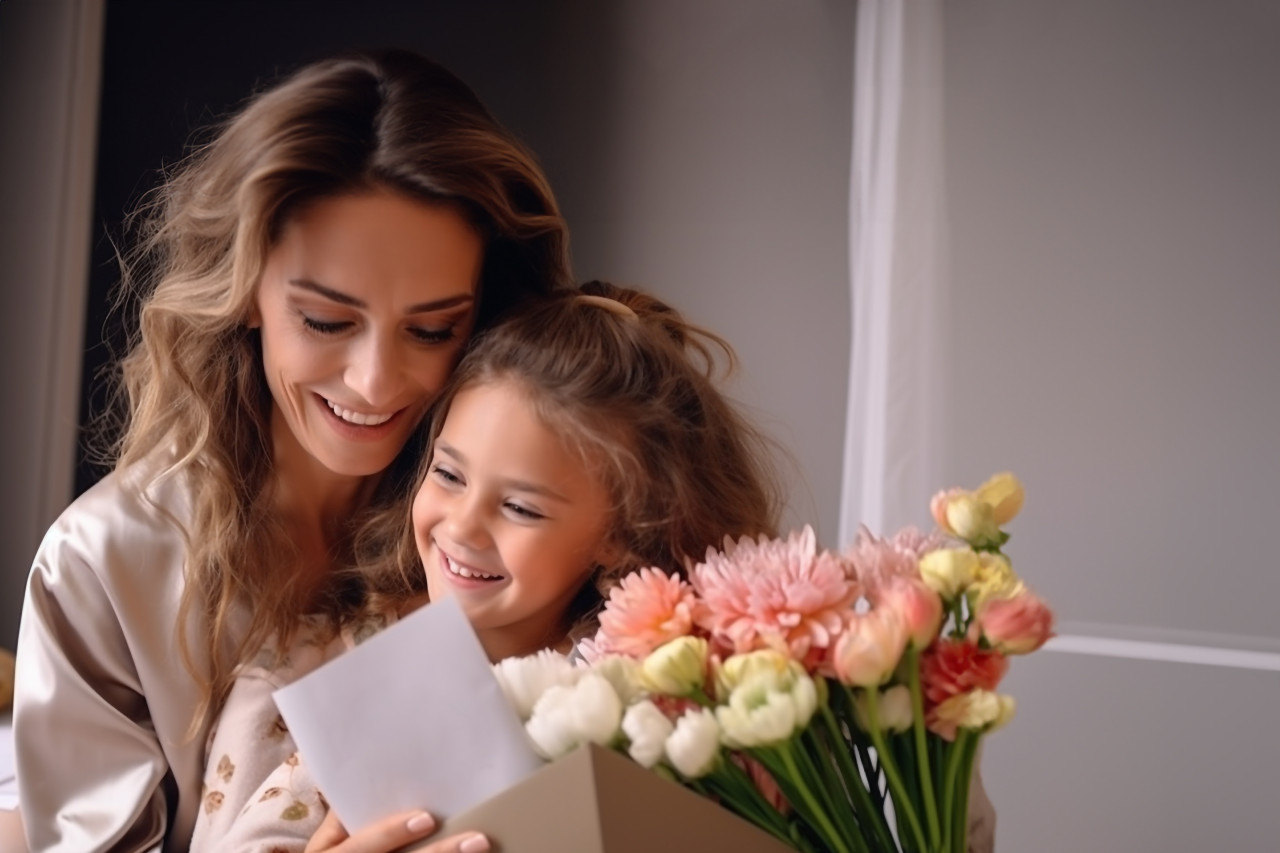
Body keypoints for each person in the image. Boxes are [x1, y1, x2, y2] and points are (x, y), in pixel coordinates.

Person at [11, 48, 571, 853]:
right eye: (326, 320)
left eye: (432, 328)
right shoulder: (103, 564)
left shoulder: (497, 528)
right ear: (244, 292)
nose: (377, 382)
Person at [188, 282, 786, 851]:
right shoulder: (307, 678)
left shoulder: (668, 703)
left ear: (622, 537)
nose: (462, 527)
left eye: (520, 507)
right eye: (448, 475)